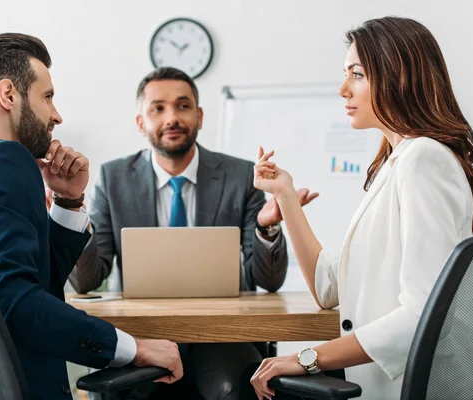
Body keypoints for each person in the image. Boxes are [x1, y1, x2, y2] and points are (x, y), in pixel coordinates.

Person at [0, 33, 182, 400]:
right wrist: (134, 348)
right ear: (8, 94)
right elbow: (12, 301)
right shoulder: (4, 159)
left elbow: (27, 281)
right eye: (47, 97)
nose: (56, 114)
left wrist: (67, 201)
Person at [245, 16, 473, 400]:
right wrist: (286, 196)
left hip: (433, 388)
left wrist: (310, 357)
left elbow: (424, 314)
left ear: (398, 76)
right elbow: (328, 287)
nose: (343, 89)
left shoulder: (423, 159)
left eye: (356, 74)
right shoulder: (396, 164)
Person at [70, 67, 318, 400]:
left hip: (221, 336)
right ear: (141, 123)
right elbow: (86, 281)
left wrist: (267, 226)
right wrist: (71, 209)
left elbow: (268, 281)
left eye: (183, 106)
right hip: (142, 335)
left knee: (237, 387)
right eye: (158, 108)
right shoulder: (112, 178)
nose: (171, 117)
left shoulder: (240, 175)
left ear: (199, 116)